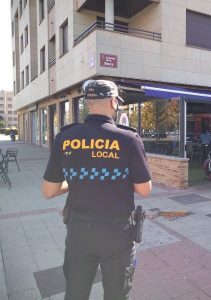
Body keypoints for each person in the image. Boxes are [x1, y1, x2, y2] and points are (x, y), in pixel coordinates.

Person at [41, 79, 152, 300]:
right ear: (113, 102)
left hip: (78, 232)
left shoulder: (65, 137)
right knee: (116, 294)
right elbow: (144, 189)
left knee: (75, 293)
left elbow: (49, 191)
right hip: (116, 234)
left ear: (87, 103)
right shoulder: (128, 139)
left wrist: (80, 181)